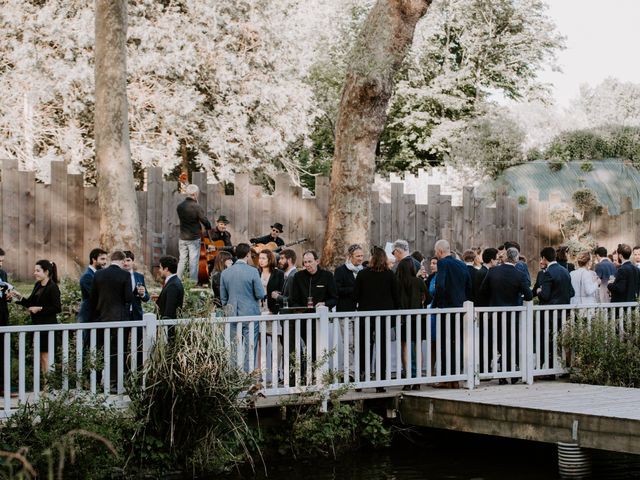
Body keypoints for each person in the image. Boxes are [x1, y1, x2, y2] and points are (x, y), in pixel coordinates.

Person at [478, 248, 533, 384]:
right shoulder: (519, 275)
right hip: (511, 315)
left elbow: (482, 291)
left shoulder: (492, 271)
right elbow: (529, 296)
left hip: (494, 314)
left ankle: (502, 375)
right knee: (510, 343)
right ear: (516, 258)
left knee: (497, 343)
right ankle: (510, 372)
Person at [354, 246, 400, 392]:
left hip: (365, 316)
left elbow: (356, 295)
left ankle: (361, 379)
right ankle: (380, 383)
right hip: (384, 317)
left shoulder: (362, 274)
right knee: (382, 349)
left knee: (364, 347)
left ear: (372, 259)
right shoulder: (390, 275)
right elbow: (396, 296)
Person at [289, 250, 338, 382]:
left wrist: (324, 304)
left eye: (310, 261)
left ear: (317, 261)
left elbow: (334, 298)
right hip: (303, 319)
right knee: (302, 348)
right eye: (305, 262)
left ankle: (320, 375)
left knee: (318, 348)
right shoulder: (298, 276)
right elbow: (293, 299)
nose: (307, 264)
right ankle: (303, 375)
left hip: (319, 320)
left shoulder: (327, 276)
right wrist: (301, 309)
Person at [89, 251, 134, 390]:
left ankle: (96, 383)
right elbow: (128, 298)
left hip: (101, 318)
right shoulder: (125, 275)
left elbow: (93, 297)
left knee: (99, 351)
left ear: (111, 260)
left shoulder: (98, 274)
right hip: (119, 320)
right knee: (117, 352)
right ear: (121, 261)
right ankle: (113, 383)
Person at [432, 239, 471, 388]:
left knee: (444, 344)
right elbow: (468, 285)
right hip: (461, 309)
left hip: (447, 309)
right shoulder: (461, 264)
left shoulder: (443, 263)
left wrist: (438, 305)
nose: (436, 254)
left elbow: (440, 285)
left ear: (440, 251)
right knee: (457, 343)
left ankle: (445, 378)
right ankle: (455, 378)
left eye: (436, 252)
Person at [220, 243, 265, 371]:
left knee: (233, 347)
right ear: (247, 255)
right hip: (250, 313)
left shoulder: (226, 273)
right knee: (250, 346)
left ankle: (234, 376)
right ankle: (247, 375)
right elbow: (260, 294)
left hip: (232, 313)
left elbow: (223, 297)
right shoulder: (253, 271)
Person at [13, 260, 61, 375]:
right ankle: (46, 387)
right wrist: (17, 296)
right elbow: (30, 303)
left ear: (47, 272)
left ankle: (48, 387)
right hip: (37, 326)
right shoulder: (38, 285)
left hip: (47, 327)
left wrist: (40, 309)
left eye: (37, 271)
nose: (35, 273)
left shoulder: (53, 287)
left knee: (46, 357)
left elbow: (57, 308)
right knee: (41, 357)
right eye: (35, 270)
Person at [396, 257, 427, 390]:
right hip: (418, 318)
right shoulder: (419, 282)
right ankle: (418, 377)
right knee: (417, 347)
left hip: (403, 319)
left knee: (405, 347)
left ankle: (408, 377)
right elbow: (428, 297)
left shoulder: (397, 282)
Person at [176, 184, 212, 281]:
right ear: (195, 194)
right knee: (193, 261)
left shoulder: (180, 206)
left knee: (182, 260)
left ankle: (177, 280)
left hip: (182, 237)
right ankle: (192, 283)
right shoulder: (196, 206)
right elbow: (204, 220)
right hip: (194, 238)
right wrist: (209, 226)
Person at [123, 251, 150, 370]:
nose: (125, 263)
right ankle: (122, 370)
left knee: (138, 344)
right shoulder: (117, 276)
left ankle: (138, 371)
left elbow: (147, 298)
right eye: (123, 260)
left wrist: (143, 294)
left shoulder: (139, 277)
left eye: (128, 260)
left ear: (133, 262)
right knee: (121, 344)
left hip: (136, 314)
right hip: (122, 315)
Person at [77, 248, 107, 324]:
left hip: (98, 316)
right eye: (102, 259)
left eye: (106, 259)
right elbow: (95, 296)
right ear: (94, 260)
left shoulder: (99, 274)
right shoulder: (88, 276)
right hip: (89, 316)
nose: (105, 262)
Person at [334, 244, 364, 313]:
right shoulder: (340, 270)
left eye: (362, 256)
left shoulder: (364, 270)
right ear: (350, 256)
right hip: (345, 310)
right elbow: (336, 290)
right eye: (358, 256)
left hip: (361, 310)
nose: (361, 259)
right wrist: (355, 289)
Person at [157, 255, 185, 320]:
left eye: (160, 268)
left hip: (167, 327)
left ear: (166, 269)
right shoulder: (172, 282)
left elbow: (169, 311)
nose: (159, 270)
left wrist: (164, 329)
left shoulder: (173, 285)